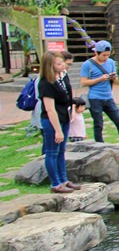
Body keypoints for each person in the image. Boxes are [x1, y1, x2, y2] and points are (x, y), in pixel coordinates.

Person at [37, 51, 78, 193]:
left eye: (62, 63)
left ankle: (64, 179)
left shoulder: (63, 77)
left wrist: (72, 109)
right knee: (52, 152)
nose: (63, 66)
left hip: (64, 116)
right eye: (59, 64)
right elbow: (50, 109)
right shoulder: (46, 83)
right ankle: (55, 184)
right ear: (50, 66)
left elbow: (69, 95)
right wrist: (57, 130)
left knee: (61, 151)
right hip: (52, 121)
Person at [80, 40, 119, 143]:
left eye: (108, 55)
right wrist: (100, 79)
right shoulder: (88, 64)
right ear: (96, 53)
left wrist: (113, 77)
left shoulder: (111, 62)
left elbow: (116, 80)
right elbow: (83, 82)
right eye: (103, 55)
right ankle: (100, 146)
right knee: (98, 124)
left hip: (108, 97)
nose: (105, 58)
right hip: (95, 97)